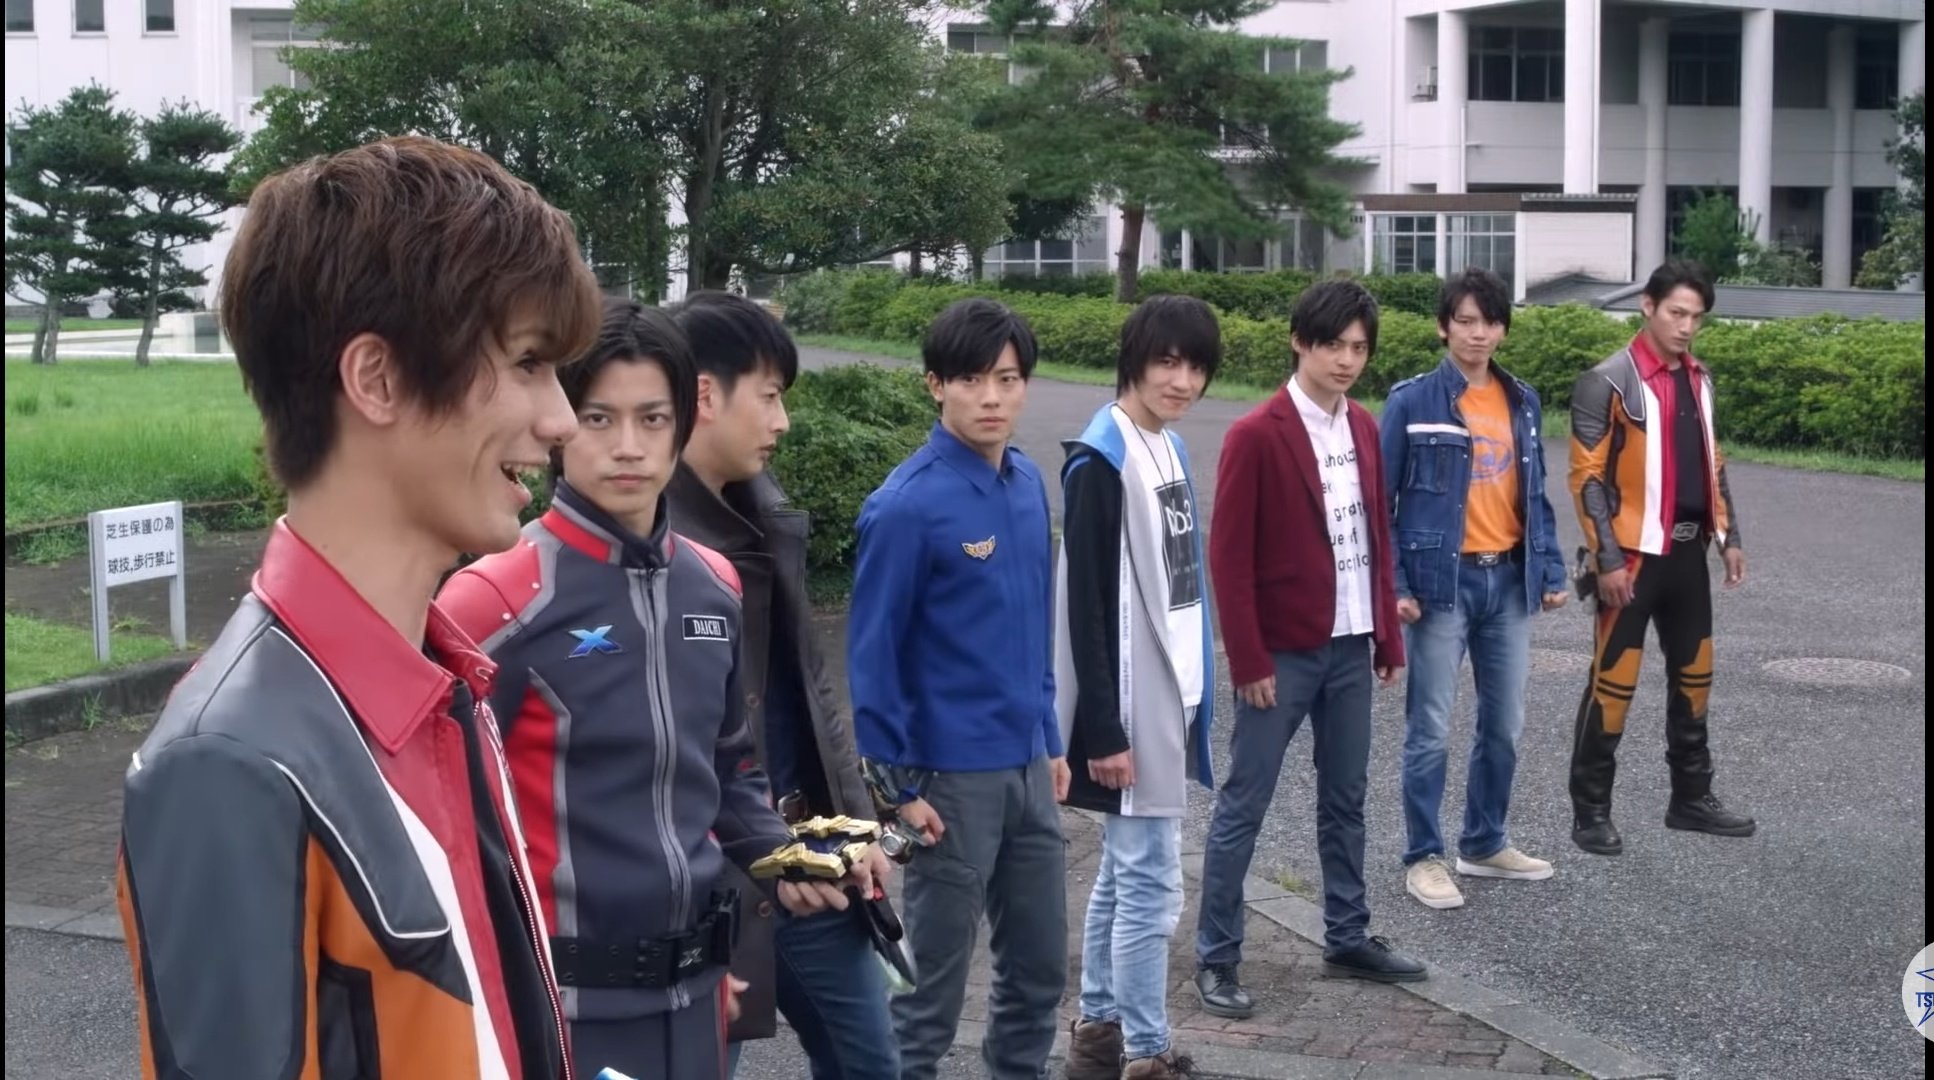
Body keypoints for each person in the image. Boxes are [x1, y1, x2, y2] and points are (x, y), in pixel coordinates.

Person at [113, 136, 598, 1079]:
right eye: (529, 362)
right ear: (376, 379)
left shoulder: (450, 685)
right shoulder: (230, 761)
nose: (562, 420)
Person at [440, 298, 871, 1079]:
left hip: (700, 1002)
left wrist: (787, 857)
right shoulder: (494, 600)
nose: (628, 447)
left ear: (683, 423)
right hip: (565, 1014)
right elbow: (447, 826)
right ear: (558, 423)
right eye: (599, 419)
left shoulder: (715, 585)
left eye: (652, 418)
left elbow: (731, 770)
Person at [662, 291, 898, 1080]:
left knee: (871, 1060)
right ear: (705, 395)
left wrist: (856, 828)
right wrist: (764, 852)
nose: (783, 421)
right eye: (768, 397)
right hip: (716, 881)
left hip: (811, 857)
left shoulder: (765, 516)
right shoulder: (652, 544)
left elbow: (811, 689)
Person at [848, 297, 1069, 1080]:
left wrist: (1050, 737)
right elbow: (872, 660)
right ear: (935, 385)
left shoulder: (1027, 481)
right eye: (971, 379)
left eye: (1007, 379)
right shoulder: (905, 506)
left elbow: (1035, 621)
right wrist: (897, 791)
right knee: (928, 998)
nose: (991, 397)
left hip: (1028, 768)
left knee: (1040, 970)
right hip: (948, 783)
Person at [1193, 279, 1426, 1020]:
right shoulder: (1257, 433)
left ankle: (1347, 936)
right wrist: (1248, 658)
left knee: (1346, 798)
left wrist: (1386, 632)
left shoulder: (1364, 427)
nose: (1346, 360)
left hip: (1352, 644)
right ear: (1300, 342)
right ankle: (1216, 955)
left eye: (1359, 348)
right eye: (1332, 345)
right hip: (1282, 654)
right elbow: (1228, 557)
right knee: (1246, 801)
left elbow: (1376, 536)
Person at [1056, 295, 1221, 1080]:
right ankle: (1147, 1053)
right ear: (1134, 360)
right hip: (1128, 708)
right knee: (1152, 882)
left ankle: (1099, 1031)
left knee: (1125, 875)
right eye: (1167, 361)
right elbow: (1083, 606)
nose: (1182, 380)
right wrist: (1103, 731)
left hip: (1166, 696)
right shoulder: (1100, 459)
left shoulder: (1167, 444)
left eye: (1196, 366)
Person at [1379, 267, 1571, 910]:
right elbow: (1381, 503)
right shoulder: (1412, 402)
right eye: (1464, 321)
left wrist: (1549, 569)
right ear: (1443, 327)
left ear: (1503, 329)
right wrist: (1396, 583)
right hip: (1442, 584)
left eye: (1489, 321)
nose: (1477, 333)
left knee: (1505, 724)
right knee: (1430, 727)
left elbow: (1534, 492)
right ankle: (1424, 856)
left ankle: (1484, 842)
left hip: (1507, 580)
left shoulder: (1523, 400)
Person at [1567, 258, 1754, 857]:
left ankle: (1691, 799)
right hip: (1631, 559)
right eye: (1676, 312)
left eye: (1696, 316)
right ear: (1647, 306)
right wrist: (1607, 558)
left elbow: (1713, 461)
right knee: (1613, 684)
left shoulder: (1700, 378)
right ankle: (1591, 812)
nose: (1686, 326)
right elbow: (1587, 478)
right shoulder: (1607, 380)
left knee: (1696, 680)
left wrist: (1729, 537)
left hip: (1687, 555)